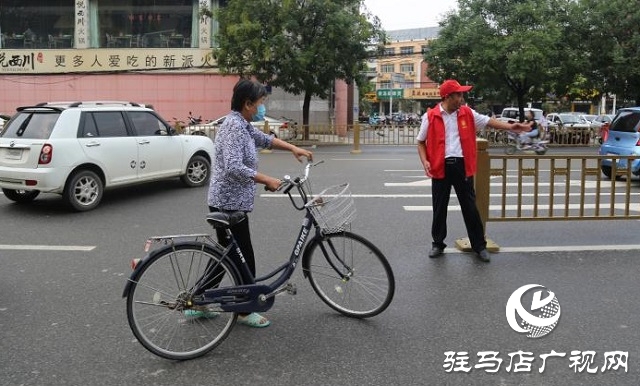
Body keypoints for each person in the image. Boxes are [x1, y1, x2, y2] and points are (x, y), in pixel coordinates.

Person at [206, 79, 313, 327]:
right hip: (227, 204)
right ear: (248, 104)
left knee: (226, 257)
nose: (262, 107)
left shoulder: (241, 124)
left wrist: (293, 148)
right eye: (260, 102)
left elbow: (265, 140)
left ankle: (197, 303)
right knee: (243, 257)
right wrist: (267, 179)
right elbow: (233, 166)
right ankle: (245, 309)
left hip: (231, 201)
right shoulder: (233, 126)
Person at [416, 79, 530, 262]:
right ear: (447, 96)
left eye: (462, 94)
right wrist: (425, 161)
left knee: (470, 207)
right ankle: (437, 243)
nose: (461, 98)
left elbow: (489, 122)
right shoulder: (430, 116)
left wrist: (511, 127)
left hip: (462, 165)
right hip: (440, 166)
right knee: (439, 208)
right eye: (458, 95)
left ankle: (479, 246)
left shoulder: (467, 113)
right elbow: (420, 142)